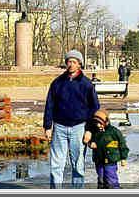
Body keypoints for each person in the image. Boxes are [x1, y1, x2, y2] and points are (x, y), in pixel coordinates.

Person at [43, 49, 100, 188]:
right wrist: (47, 126)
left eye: (74, 62)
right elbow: (49, 105)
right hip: (59, 127)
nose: (71, 64)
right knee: (56, 166)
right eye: (69, 61)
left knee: (78, 166)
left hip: (79, 128)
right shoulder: (57, 83)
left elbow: (94, 108)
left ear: (79, 64)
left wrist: (90, 130)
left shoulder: (86, 84)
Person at [88, 109, 129, 189]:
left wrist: (123, 158)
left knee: (111, 179)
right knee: (101, 179)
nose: (98, 125)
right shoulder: (95, 131)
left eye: (100, 123)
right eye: (96, 123)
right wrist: (91, 143)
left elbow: (122, 144)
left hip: (110, 161)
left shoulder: (114, 132)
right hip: (99, 160)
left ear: (106, 121)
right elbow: (91, 140)